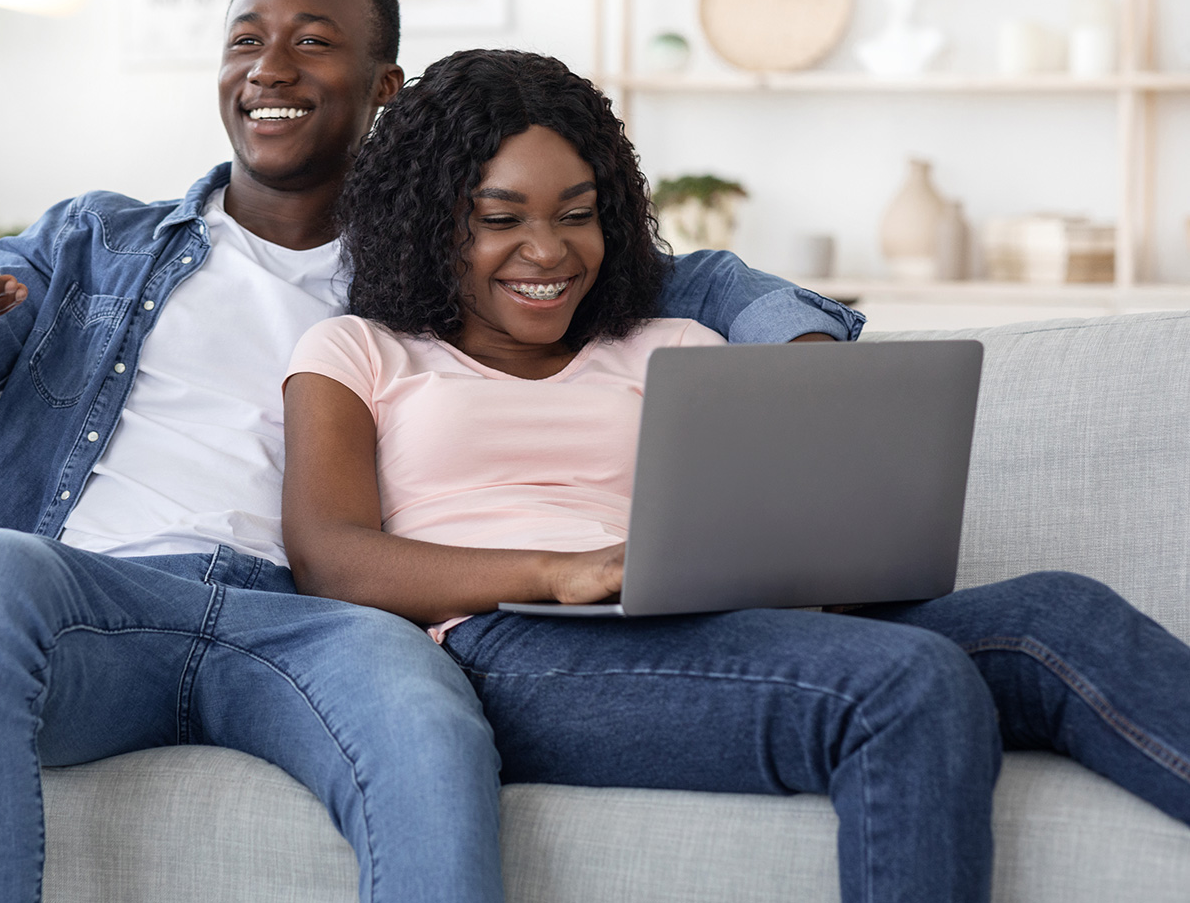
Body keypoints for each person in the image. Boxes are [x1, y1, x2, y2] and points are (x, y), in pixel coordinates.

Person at [0, 0, 862, 903]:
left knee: (424, 713)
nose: (268, 68)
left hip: (314, 620)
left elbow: (686, 276)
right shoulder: (96, 241)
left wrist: (800, 357)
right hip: (95, 606)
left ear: (384, 85)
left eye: (311, 41)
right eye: (244, 39)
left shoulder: (447, 263)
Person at [281, 47, 1190, 903]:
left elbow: (765, 501)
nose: (549, 250)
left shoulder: (672, 344)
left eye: (576, 212)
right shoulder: (358, 351)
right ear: (428, 219)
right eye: (499, 217)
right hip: (505, 645)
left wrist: (812, 567)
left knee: (1054, 613)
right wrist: (559, 571)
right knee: (901, 681)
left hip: (704, 620)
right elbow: (331, 556)